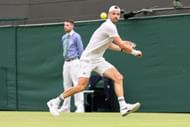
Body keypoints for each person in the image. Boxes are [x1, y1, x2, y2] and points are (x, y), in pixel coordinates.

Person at [47, 5, 143, 117]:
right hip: (87, 60)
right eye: (114, 14)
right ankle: (55, 102)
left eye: (118, 14)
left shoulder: (110, 27)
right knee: (80, 87)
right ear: (109, 14)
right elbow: (120, 43)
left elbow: (110, 46)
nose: (116, 16)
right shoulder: (109, 26)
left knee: (118, 77)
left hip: (98, 60)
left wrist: (123, 49)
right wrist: (134, 52)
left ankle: (123, 107)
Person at [56, 19, 84, 113]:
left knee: (77, 84)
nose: (65, 27)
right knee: (66, 85)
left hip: (75, 62)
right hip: (66, 62)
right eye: (64, 25)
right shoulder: (63, 37)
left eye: (67, 25)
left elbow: (81, 51)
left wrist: (81, 63)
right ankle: (66, 107)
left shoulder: (77, 36)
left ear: (72, 26)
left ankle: (80, 107)